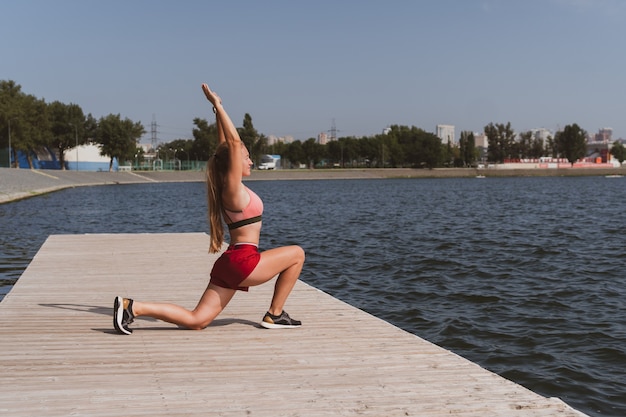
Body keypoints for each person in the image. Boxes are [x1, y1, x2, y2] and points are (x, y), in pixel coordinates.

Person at [113, 83, 305, 334]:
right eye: (247, 157)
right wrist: (219, 106)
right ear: (234, 163)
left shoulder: (226, 185)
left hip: (230, 262)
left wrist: (216, 115)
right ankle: (274, 315)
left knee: (197, 320)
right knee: (297, 254)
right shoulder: (233, 189)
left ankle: (131, 307)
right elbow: (234, 146)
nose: (250, 160)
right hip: (244, 261)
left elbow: (225, 147)